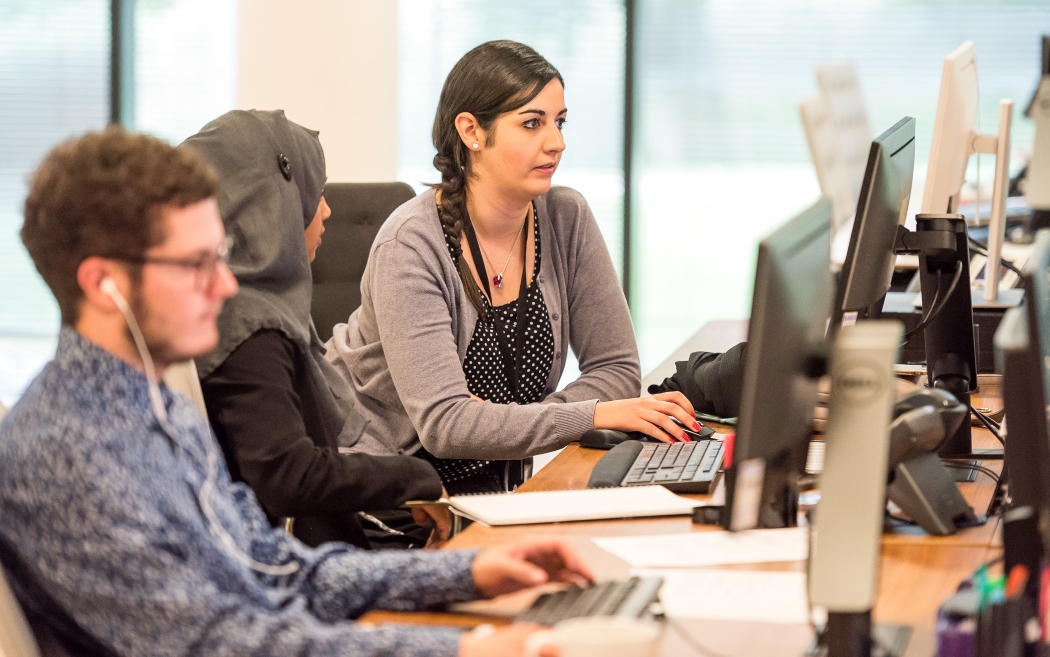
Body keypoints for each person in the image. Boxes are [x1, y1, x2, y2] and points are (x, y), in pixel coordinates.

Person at [0, 126, 591, 656]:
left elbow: (276, 568)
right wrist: (459, 649)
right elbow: (221, 642)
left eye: (222, 256)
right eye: (195, 263)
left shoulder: (155, 410)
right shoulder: (68, 452)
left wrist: (468, 574)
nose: (226, 283)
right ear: (105, 284)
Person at [327, 40, 698, 494]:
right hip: (393, 496)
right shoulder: (411, 245)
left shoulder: (565, 217)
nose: (557, 142)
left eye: (559, 122)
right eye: (531, 123)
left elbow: (617, 369)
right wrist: (590, 413)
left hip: (498, 488)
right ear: (471, 132)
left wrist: (503, 422)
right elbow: (446, 425)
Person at [184, 109, 448, 549]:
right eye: (315, 192)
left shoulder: (239, 308)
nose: (326, 210)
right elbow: (287, 476)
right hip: (300, 569)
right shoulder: (250, 327)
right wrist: (413, 477)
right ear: (272, 203)